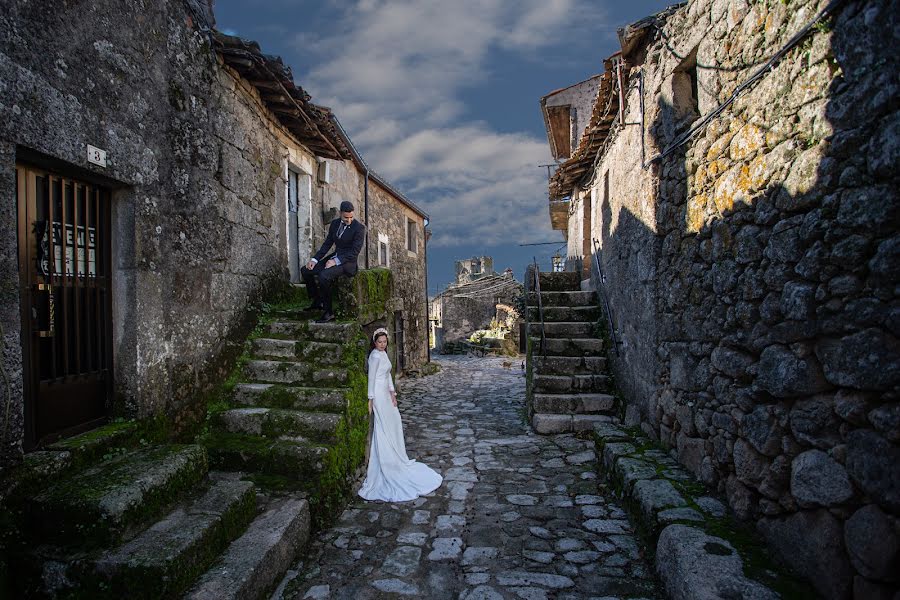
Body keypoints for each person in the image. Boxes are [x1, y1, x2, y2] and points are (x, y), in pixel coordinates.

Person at [359, 328, 442, 502]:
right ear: (374, 343)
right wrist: (370, 399)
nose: (382, 344)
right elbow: (372, 378)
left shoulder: (384, 354)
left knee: (395, 421)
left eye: (384, 342)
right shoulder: (374, 356)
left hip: (386, 394)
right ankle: (387, 460)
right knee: (383, 426)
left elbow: (388, 375)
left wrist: (393, 394)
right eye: (379, 342)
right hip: (378, 395)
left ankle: (398, 456)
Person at [301, 200, 366, 323]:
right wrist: (314, 260)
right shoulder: (335, 224)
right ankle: (317, 300)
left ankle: (328, 312)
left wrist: (335, 261)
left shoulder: (359, 228)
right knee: (306, 270)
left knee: (323, 276)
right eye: (346, 217)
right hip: (335, 255)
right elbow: (327, 244)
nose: (349, 220)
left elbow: (355, 251)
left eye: (351, 217)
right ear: (340, 213)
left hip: (348, 263)